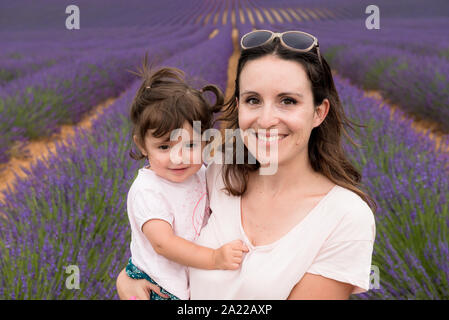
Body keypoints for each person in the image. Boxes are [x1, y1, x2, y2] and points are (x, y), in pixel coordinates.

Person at [116, 30, 377, 300]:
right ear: (239, 105)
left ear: (319, 112)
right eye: (253, 100)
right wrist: (128, 278)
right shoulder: (218, 174)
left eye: (288, 101)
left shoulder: (345, 218)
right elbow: (165, 239)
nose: (265, 120)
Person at [124, 60, 249, 300]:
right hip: (158, 288)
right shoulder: (148, 190)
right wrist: (214, 258)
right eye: (164, 146)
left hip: (187, 286)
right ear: (142, 145)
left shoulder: (202, 173)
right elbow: (163, 244)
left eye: (191, 144)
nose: (178, 157)